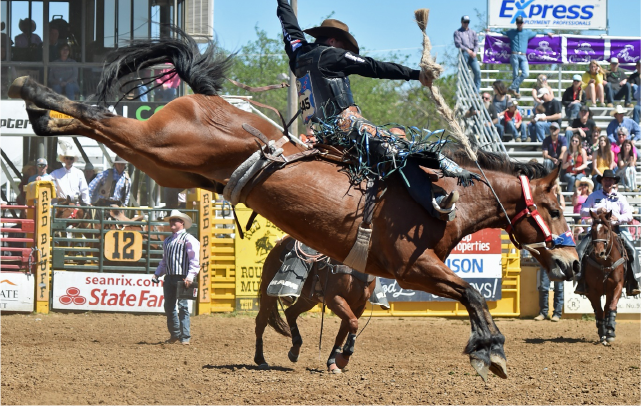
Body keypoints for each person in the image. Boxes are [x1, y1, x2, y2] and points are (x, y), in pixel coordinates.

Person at [276, 0, 471, 217]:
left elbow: (288, 23)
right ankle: (434, 200)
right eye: (343, 45)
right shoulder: (332, 55)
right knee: (396, 149)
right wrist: (415, 74)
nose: (345, 51)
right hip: (345, 126)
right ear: (333, 40)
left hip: (320, 132)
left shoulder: (298, 53)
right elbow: (373, 67)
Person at [575, 170, 641, 296]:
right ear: (602, 181)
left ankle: (633, 282)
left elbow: (629, 215)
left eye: (610, 180)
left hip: (616, 230)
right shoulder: (594, 196)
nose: (608, 182)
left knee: (633, 251)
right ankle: (581, 282)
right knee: (580, 250)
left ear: (614, 182)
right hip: (598, 232)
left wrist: (618, 219)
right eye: (606, 179)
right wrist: (596, 209)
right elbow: (582, 212)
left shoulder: (620, 197)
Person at [152, 210, 200, 345]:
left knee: (182, 306)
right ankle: (175, 334)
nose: (172, 223)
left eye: (175, 220)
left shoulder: (189, 239)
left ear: (182, 223)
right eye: (171, 220)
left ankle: (185, 336)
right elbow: (164, 261)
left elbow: (195, 261)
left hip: (183, 277)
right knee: (169, 306)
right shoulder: (167, 240)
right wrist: (157, 273)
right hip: (169, 277)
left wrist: (190, 276)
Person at [488, 16, 553, 98]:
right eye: (518, 23)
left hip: (523, 55)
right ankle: (516, 93)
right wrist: (490, 31)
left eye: (521, 23)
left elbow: (537, 33)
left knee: (526, 73)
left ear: (523, 23)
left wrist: (547, 33)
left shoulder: (527, 32)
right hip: (514, 54)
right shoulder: (511, 32)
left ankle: (512, 88)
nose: (519, 24)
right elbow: (501, 33)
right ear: (516, 24)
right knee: (515, 74)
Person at [453, 15, 480, 93]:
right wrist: (467, 50)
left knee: (477, 71)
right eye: (465, 22)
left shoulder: (473, 32)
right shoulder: (457, 32)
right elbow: (458, 44)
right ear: (461, 22)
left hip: (473, 54)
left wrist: (474, 52)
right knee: (465, 72)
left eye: (467, 22)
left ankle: (476, 91)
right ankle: (467, 90)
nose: (466, 23)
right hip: (464, 53)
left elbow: (476, 43)